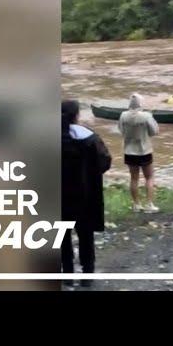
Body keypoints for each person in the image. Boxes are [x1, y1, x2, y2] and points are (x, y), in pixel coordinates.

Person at [61, 99, 111, 288]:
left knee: (62, 236)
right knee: (86, 236)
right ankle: (87, 275)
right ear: (77, 116)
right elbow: (105, 161)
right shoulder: (89, 138)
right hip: (85, 195)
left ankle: (67, 274)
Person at [118, 93, 159, 213]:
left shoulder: (123, 115)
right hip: (144, 150)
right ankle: (149, 204)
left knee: (134, 178)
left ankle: (136, 204)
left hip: (129, 151)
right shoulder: (146, 116)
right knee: (149, 177)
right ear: (141, 104)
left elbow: (121, 130)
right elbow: (154, 131)